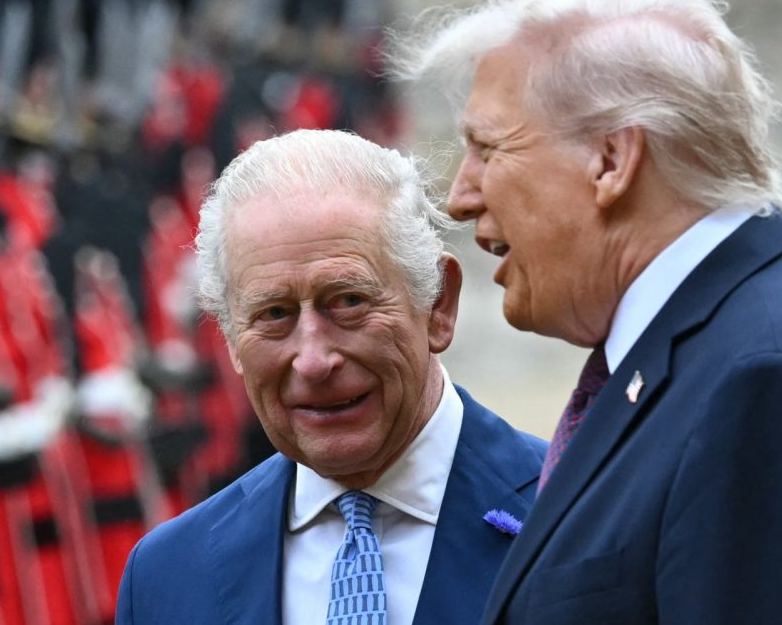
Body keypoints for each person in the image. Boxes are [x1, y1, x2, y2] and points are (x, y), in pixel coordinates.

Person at [390, 0, 782, 624]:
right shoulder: (731, 350)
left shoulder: (769, 384)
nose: (460, 197)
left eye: (488, 148)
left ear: (611, 160)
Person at [114, 129, 547, 625]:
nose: (314, 360)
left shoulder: (579, 518)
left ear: (438, 305)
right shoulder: (167, 578)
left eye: (348, 301)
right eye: (274, 314)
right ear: (230, 339)